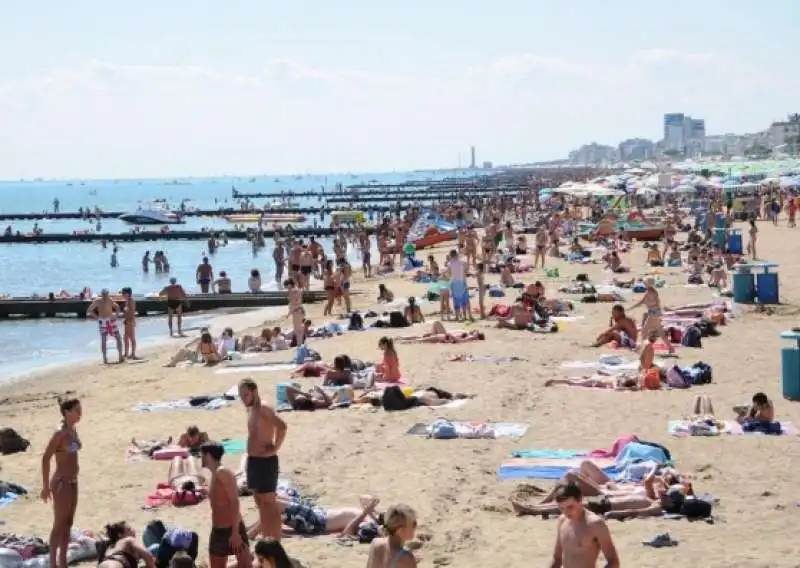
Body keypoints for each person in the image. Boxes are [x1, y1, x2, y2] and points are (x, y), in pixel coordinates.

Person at [239, 378, 288, 541]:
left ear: (254, 391)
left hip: (265, 462)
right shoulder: (251, 409)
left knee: (269, 505)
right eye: (240, 395)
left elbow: (282, 426)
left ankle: (275, 540)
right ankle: (268, 538)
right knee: (260, 505)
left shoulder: (263, 408)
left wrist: (275, 448)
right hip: (254, 462)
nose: (242, 398)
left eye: (245, 394)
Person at [40, 398, 83, 568]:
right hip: (61, 483)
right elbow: (45, 458)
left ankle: (63, 562)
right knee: (59, 524)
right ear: (67, 412)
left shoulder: (72, 430)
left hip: (73, 482)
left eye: (81, 410)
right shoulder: (60, 433)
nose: (80, 413)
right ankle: (53, 564)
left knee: (68, 524)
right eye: (77, 410)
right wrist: (45, 486)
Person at [201, 442, 252, 568]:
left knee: (246, 566)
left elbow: (234, 501)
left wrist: (235, 533)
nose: (200, 458)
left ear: (208, 455)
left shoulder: (223, 472)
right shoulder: (214, 474)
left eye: (201, 455)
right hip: (218, 530)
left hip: (232, 529)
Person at [549, 483, 620, 568]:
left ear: (580, 500)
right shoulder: (562, 520)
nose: (565, 512)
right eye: (561, 508)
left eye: (570, 507)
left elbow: (613, 561)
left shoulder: (595, 524)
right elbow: (557, 558)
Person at [630, 276, 673, 354]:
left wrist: (630, 308)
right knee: (660, 332)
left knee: (644, 331)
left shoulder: (648, 292)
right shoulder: (654, 291)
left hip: (653, 314)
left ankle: (642, 348)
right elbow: (658, 302)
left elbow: (641, 302)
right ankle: (670, 348)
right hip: (656, 313)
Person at [365, 504, 418, 568]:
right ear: (400, 531)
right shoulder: (406, 559)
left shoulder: (375, 543)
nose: (416, 526)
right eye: (414, 524)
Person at [86, 289, 124, 364]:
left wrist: (115, 315)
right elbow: (89, 310)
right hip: (103, 321)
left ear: (107, 294)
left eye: (106, 294)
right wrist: (97, 317)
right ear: (102, 294)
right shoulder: (98, 301)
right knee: (104, 340)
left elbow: (117, 308)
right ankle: (105, 359)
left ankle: (119, 357)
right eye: (104, 294)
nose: (105, 295)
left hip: (110, 320)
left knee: (118, 338)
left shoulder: (109, 300)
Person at [285, 279, 305, 347]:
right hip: (301, 310)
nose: (286, 288)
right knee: (300, 329)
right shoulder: (298, 290)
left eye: (286, 286)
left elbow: (293, 305)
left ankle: (300, 346)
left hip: (296, 312)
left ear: (289, 285)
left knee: (297, 330)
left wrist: (288, 314)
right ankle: (301, 344)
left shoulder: (292, 292)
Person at [121, 287, 138, 360]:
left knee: (131, 338)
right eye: (122, 293)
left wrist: (132, 321)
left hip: (130, 321)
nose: (122, 294)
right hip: (127, 321)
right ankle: (126, 353)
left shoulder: (131, 301)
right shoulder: (127, 301)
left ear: (128, 294)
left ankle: (133, 354)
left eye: (124, 293)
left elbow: (132, 312)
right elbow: (127, 311)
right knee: (125, 338)